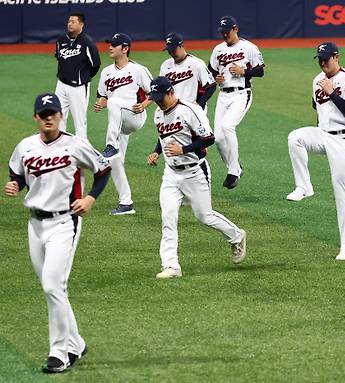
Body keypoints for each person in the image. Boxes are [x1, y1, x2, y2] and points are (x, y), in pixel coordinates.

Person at [5, 93, 111, 373]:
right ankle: (77, 343)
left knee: (53, 286)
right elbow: (16, 171)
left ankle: (59, 353)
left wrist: (90, 198)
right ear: (36, 118)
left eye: (53, 112)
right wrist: (15, 185)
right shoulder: (26, 146)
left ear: (60, 116)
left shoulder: (75, 145)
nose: (49, 117)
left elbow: (103, 169)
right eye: (44, 113)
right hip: (35, 225)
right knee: (52, 289)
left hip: (65, 223)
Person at [146, 77, 247, 279]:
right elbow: (164, 137)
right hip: (171, 173)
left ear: (171, 93)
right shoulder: (158, 113)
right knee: (168, 216)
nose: (157, 102)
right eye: (154, 98)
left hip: (194, 171)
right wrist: (157, 152)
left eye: (160, 98)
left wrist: (184, 149)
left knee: (204, 216)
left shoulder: (189, 110)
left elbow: (208, 138)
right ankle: (171, 266)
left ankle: (237, 236)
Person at [286, 42, 345, 260]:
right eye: (319, 59)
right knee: (296, 138)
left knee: (341, 190)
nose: (322, 62)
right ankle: (304, 186)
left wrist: (331, 92)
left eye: (326, 58)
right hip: (323, 133)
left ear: (336, 57)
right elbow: (316, 106)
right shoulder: (316, 80)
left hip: (343, 138)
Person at [94, 33, 153, 215]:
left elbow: (156, 92)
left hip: (135, 116)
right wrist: (100, 102)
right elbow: (103, 96)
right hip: (119, 121)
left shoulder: (138, 70)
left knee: (115, 102)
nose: (110, 47)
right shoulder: (106, 72)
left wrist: (143, 104)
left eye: (114, 45)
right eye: (109, 44)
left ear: (125, 48)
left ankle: (111, 145)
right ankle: (126, 203)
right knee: (114, 162)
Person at [208, 16, 265, 189]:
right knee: (217, 138)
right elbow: (210, 70)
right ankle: (235, 167)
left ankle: (233, 171)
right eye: (222, 32)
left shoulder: (249, 47)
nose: (224, 34)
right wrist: (215, 78)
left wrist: (244, 71)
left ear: (235, 29)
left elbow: (260, 71)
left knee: (227, 127)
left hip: (241, 94)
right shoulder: (218, 50)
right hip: (223, 95)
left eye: (227, 31)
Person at [54, 11, 101, 140]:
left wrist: (84, 78)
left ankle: (82, 149)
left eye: (73, 22)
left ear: (81, 24)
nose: (69, 24)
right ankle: (59, 149)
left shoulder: (87, 42)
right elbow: (59, 60)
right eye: (69, 21)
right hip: (61, 85)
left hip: (78, 87)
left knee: (79, 121)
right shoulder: (61, 40)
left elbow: (96, 64)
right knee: (58, 117)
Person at [159, 32, 216, 110]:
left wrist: (199, 105)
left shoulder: (196, 63)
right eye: (169, 50)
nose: (171, 53)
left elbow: (211, 86)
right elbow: (161, 89)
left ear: (181, 45)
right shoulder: (165, 65)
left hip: (191, 111)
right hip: (172, 111)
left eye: (173, 50)